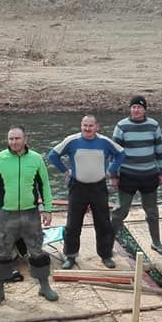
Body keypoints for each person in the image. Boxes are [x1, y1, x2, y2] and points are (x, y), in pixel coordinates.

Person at [0, 125, 58, 307]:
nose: (14, 142)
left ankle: (44, 286)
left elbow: (44, 185)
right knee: (1, 253)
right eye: (10, 139)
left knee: (37, 252)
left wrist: (47, 209)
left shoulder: (36, 159)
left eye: (17, 138)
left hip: (31, 213)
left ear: (25, 139)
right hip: (6, 215)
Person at [49, 115, 125, 270]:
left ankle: (106, 255)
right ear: (81, 125)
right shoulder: (72, 141)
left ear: (97, 127)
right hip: (78, 187)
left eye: (90, 126)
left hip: (98, 187)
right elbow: (53, 155)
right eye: (84, 125)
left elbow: (121, 154)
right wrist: (65, 171)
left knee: (103, 223)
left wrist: (110, 170)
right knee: (73, 224)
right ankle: (70, 256)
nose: (87, 129)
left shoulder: (104, 142)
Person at [110, 95, 162, 255]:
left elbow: (159, 151)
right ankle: (108, 242)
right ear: (130, 109)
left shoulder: (153, 125)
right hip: (128, 175)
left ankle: (156, 242)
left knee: (152, 211)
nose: (136, 110)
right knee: (121, 210)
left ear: (144, 110)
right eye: (133, 107)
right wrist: (113, 175)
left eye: (139, 107)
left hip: (149, 175)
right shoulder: (122, 126)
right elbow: (114, 153)